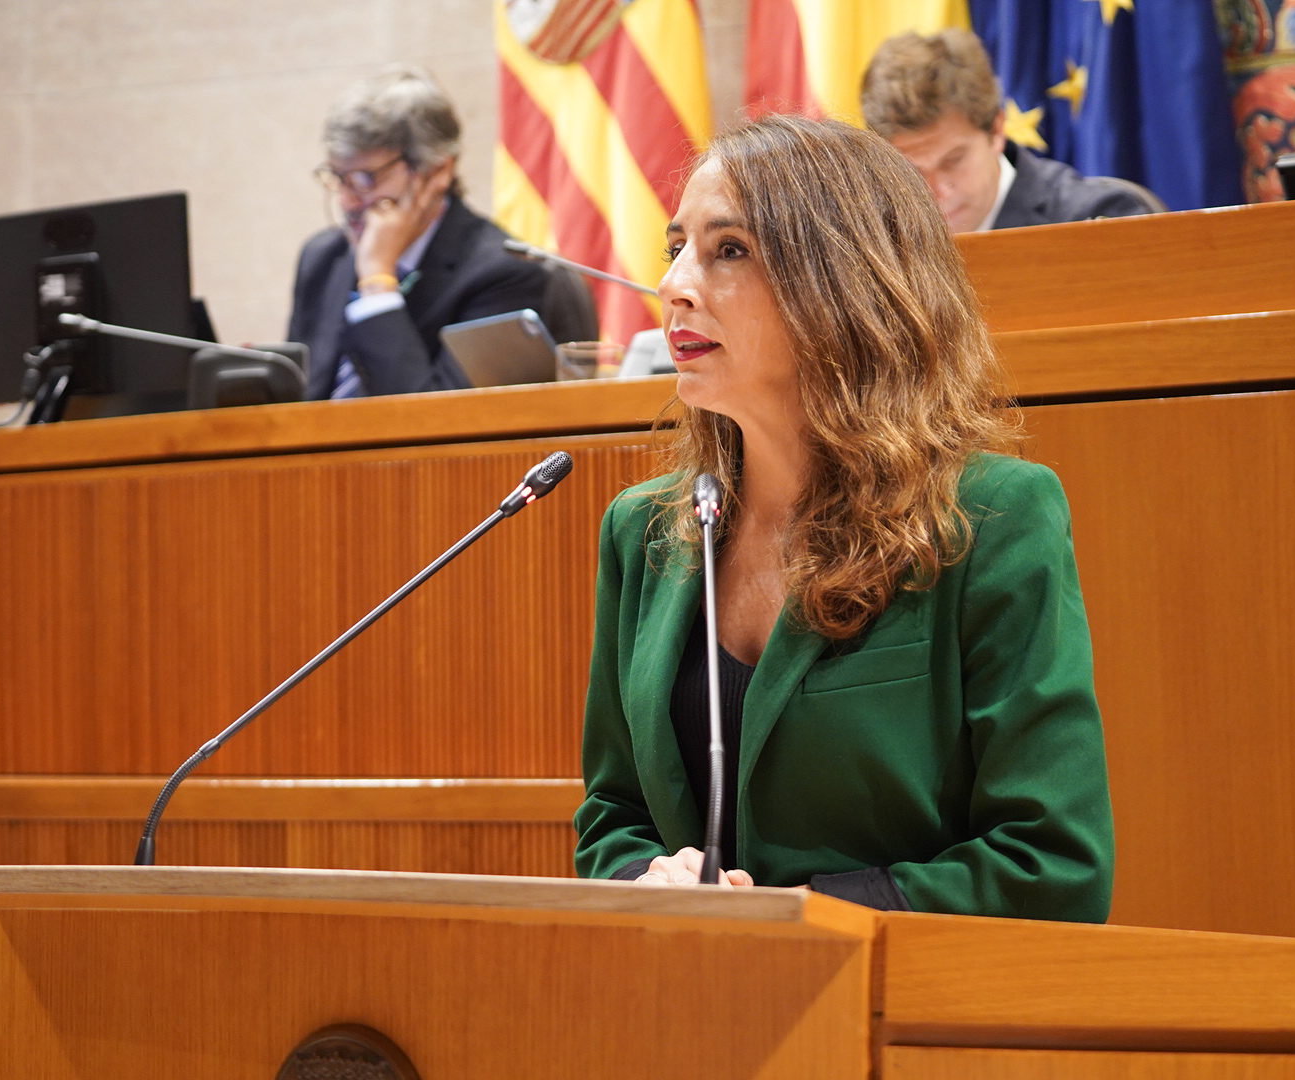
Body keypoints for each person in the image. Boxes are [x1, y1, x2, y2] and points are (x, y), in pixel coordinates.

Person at [573, 114, 1114, 917]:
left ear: (841, 282)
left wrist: (798, 917)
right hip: (686, 982)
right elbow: (613, 815)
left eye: (730, 249)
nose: (676, 284)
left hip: (898, 986)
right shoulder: (644, 530)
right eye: (675, 247)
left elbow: (1052, 863)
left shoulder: (993, 516)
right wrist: (644, 880)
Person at [287, 66, 549, 399]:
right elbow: (296, 401)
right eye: (338, 178)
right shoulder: (324, 257)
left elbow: (435, 420)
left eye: (366, 179)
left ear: (438, 171)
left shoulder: (504, 274)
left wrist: (377, 282)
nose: (346, 201)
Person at [860, 28, 1153, 232]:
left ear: (997, 130)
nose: (937, 191)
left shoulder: (1097, 219)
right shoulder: (872, 242)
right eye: (913, 173)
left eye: (953, 160)